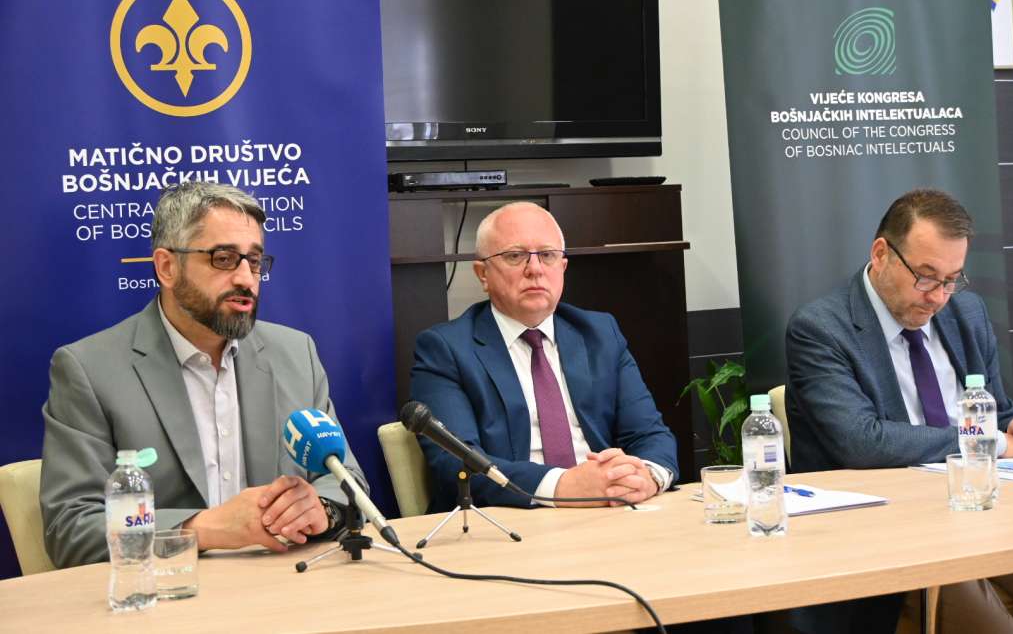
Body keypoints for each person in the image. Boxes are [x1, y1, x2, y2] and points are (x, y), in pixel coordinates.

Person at [40, 182, 366, 568]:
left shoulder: (295, 354)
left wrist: (321, 508)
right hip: (167, 590)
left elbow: (348, 482)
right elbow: (71, 528)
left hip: (285, 583)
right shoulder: (90, 369)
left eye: (254, 261)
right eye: (223, 259)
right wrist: (202, 528)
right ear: (167, 267)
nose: (246, 279)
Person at [786, 187, 1013, 633]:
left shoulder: (967, 312)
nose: (938, 297)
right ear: (881, 254)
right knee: (958, 581)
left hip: (977, 512)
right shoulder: (820, 329)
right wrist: (987, 443)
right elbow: (861, 441)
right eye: (926, 277)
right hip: (883, 535)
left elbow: (996, 411)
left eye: (952, 279)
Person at [410, 201, 678, 511]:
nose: (535, 269)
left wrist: (646, 476)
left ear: (562, 268)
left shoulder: (600, 334)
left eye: (547, 255)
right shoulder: (445, 349)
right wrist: (561, 486)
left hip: (608, 509)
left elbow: (651, 435)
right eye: (515, 256)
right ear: (483, 274)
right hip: (511, 519)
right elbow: (455, 462)